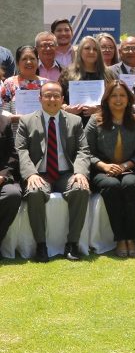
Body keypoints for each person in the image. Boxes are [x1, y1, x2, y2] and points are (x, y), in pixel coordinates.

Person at [15, 81, 90, 262]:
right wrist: (31, 174)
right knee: (34, 192)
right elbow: (21, 150)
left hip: (66, 173)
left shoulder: (75, 121)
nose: (52, 99)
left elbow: (83, 150)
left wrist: (80, 172)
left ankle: (72, 244)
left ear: (62, 99)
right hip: (40, 174)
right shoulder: (26, 121)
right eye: (47, 95)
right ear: (40, 98)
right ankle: (41, 245)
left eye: (56, 96)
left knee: (81, 189)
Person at [86, 80, 135, 258]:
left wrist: (125, 165)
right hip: (102, 171)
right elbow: (85, 151)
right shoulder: (95, 121)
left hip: (129, 169)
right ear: (107, 99)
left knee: (131, 184)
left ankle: (131, 238)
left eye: (122, 95)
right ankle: (120, 238)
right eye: (114, 96)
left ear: (129, 99)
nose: (118, 99)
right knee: (112, 185)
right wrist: (103, 165)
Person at [59, 36, 115, 127]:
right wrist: (66, 108)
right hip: (73, 126)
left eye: (95, 49)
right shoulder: (67, 73)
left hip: (101, 126)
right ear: (80, 51)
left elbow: (115, 100)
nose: (91, 52)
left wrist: (99, 110)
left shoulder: (108, 74)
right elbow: (58, 98)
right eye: (87, 48)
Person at [1, 46, 48, 122]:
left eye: (32, 58)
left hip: (42, 128)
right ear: (17, 63)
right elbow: (3, 112)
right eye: (24, 59)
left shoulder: (47, 84)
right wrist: (15, 118)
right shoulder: (9, 83)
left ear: (38, 61)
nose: (29, 62)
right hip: (17, 128)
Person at [0, 110, 21, 258]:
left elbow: (12, 155)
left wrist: (2, 175)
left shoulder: (4, 122)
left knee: (12, 195)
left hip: (1, 177)